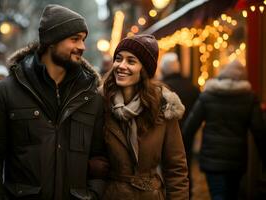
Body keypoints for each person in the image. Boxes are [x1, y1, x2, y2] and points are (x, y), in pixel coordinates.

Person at [0, 4, 108, 200]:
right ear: (51, 41)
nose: (82, 46)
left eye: (83, 39)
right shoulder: (6, 92)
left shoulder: (91, 97)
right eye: (75, 39)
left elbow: (99, 159)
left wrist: (93, 195)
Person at [101, 34, 189, 200]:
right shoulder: (101, 103)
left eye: (131, 61)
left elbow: (176, 169)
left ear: (145, 69)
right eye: (118, 59)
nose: (121, 65)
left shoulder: (162, 107)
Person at [182, 60, 266, 200]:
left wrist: (183, 155)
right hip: (236, 160)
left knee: (218, 194)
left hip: (211, 159)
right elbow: (259, 131)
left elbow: (190, 127)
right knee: (232, 195)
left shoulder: (208, 95)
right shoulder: (249, 98)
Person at [160, 52, 200, 128]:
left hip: (170, 132)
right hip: (188, 132)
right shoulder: (191, 87)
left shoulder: (162, 89)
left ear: (163, 69)